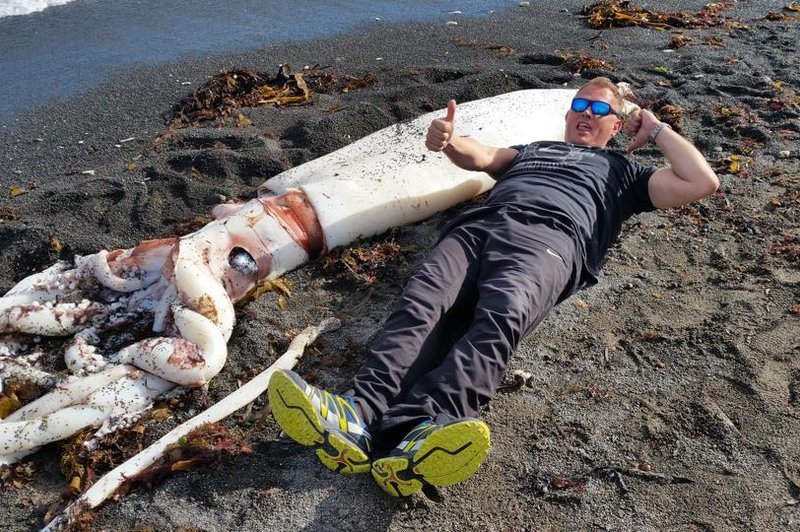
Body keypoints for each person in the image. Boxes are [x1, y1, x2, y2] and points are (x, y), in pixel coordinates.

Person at [267, 77, 719, 497]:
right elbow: (481, 157)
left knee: (500, 317)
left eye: (599, 108)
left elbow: (701, 181)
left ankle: (428, 426)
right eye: (578, 104)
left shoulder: (624, 172)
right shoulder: (533, 150)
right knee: (422, 302)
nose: (585, 112)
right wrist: (448, 141)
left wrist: (657, 129)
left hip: (551, 240)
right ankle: (359, 413)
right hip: (478, 228)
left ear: (616, 125)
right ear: (566, 115)